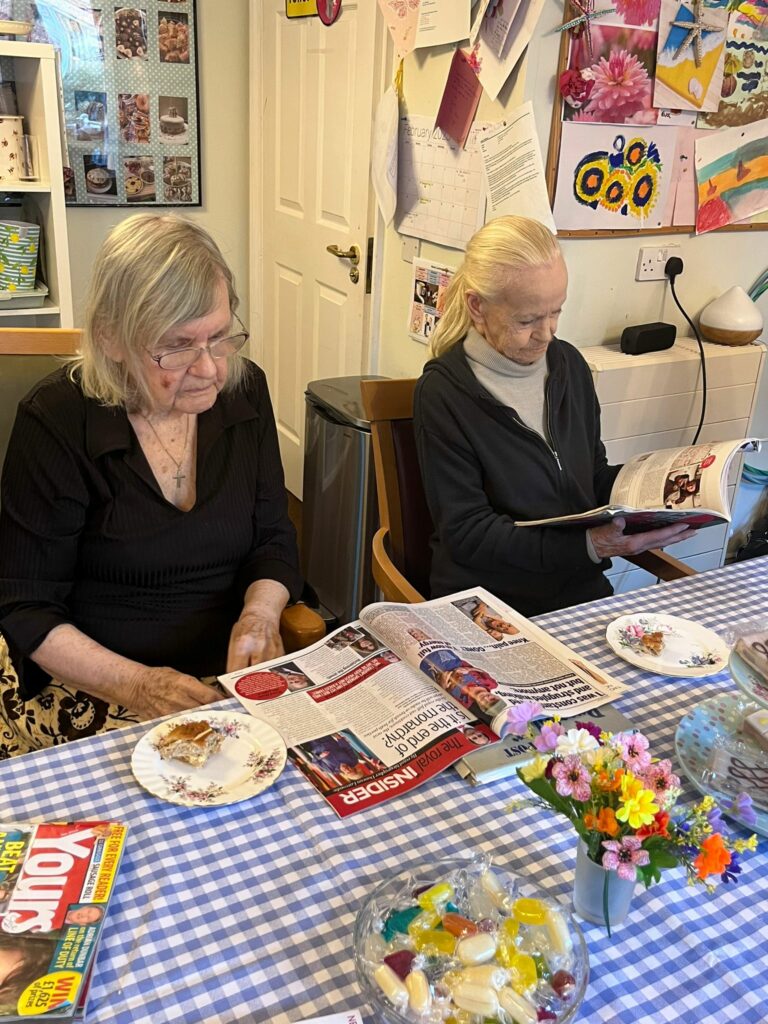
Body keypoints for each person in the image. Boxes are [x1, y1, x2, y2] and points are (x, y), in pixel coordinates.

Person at [0, 214, 302, 758]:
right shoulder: (56, 419)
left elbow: (273, 539)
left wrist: (259, 616)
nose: (210, 369)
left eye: (220, 337)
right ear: (110, 338)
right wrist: (140, 686)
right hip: (98, 680)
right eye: (178, 346)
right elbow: (27, 606)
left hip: (224, 673)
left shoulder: (244, 391)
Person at [414, 216, 693, 617]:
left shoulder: (569, 366)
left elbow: (590, 478)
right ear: (477, 307)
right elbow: (468, 533)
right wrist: (590, 546)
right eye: (527, 320)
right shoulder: (443, 393)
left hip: (579, 589)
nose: (546, 334)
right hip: (492, 602)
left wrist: (659, 493)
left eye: (555, 312)